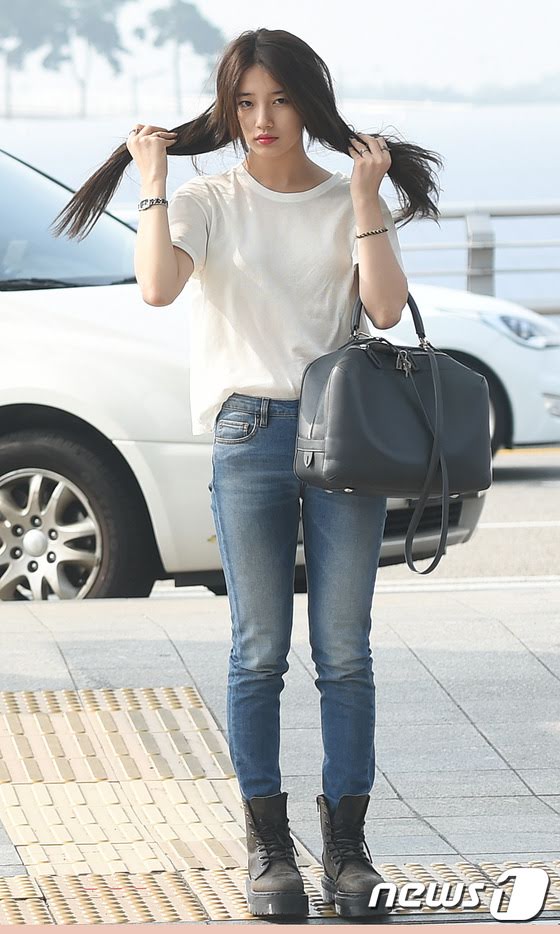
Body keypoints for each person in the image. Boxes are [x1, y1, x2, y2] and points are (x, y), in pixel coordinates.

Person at [51, 27, 443, 919]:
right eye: (245, 102)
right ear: (228, 109)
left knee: (344, 652)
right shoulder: (206, 199)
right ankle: (269, 849)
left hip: (343, 438)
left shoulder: (346, 196)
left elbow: (384, 309)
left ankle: (347, 852)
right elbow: (158, 287)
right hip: (248, 432)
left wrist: (366, 198)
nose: (262, 119)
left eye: (280, 99)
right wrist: (153, 181)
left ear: (310, 103)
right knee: (258, 650)